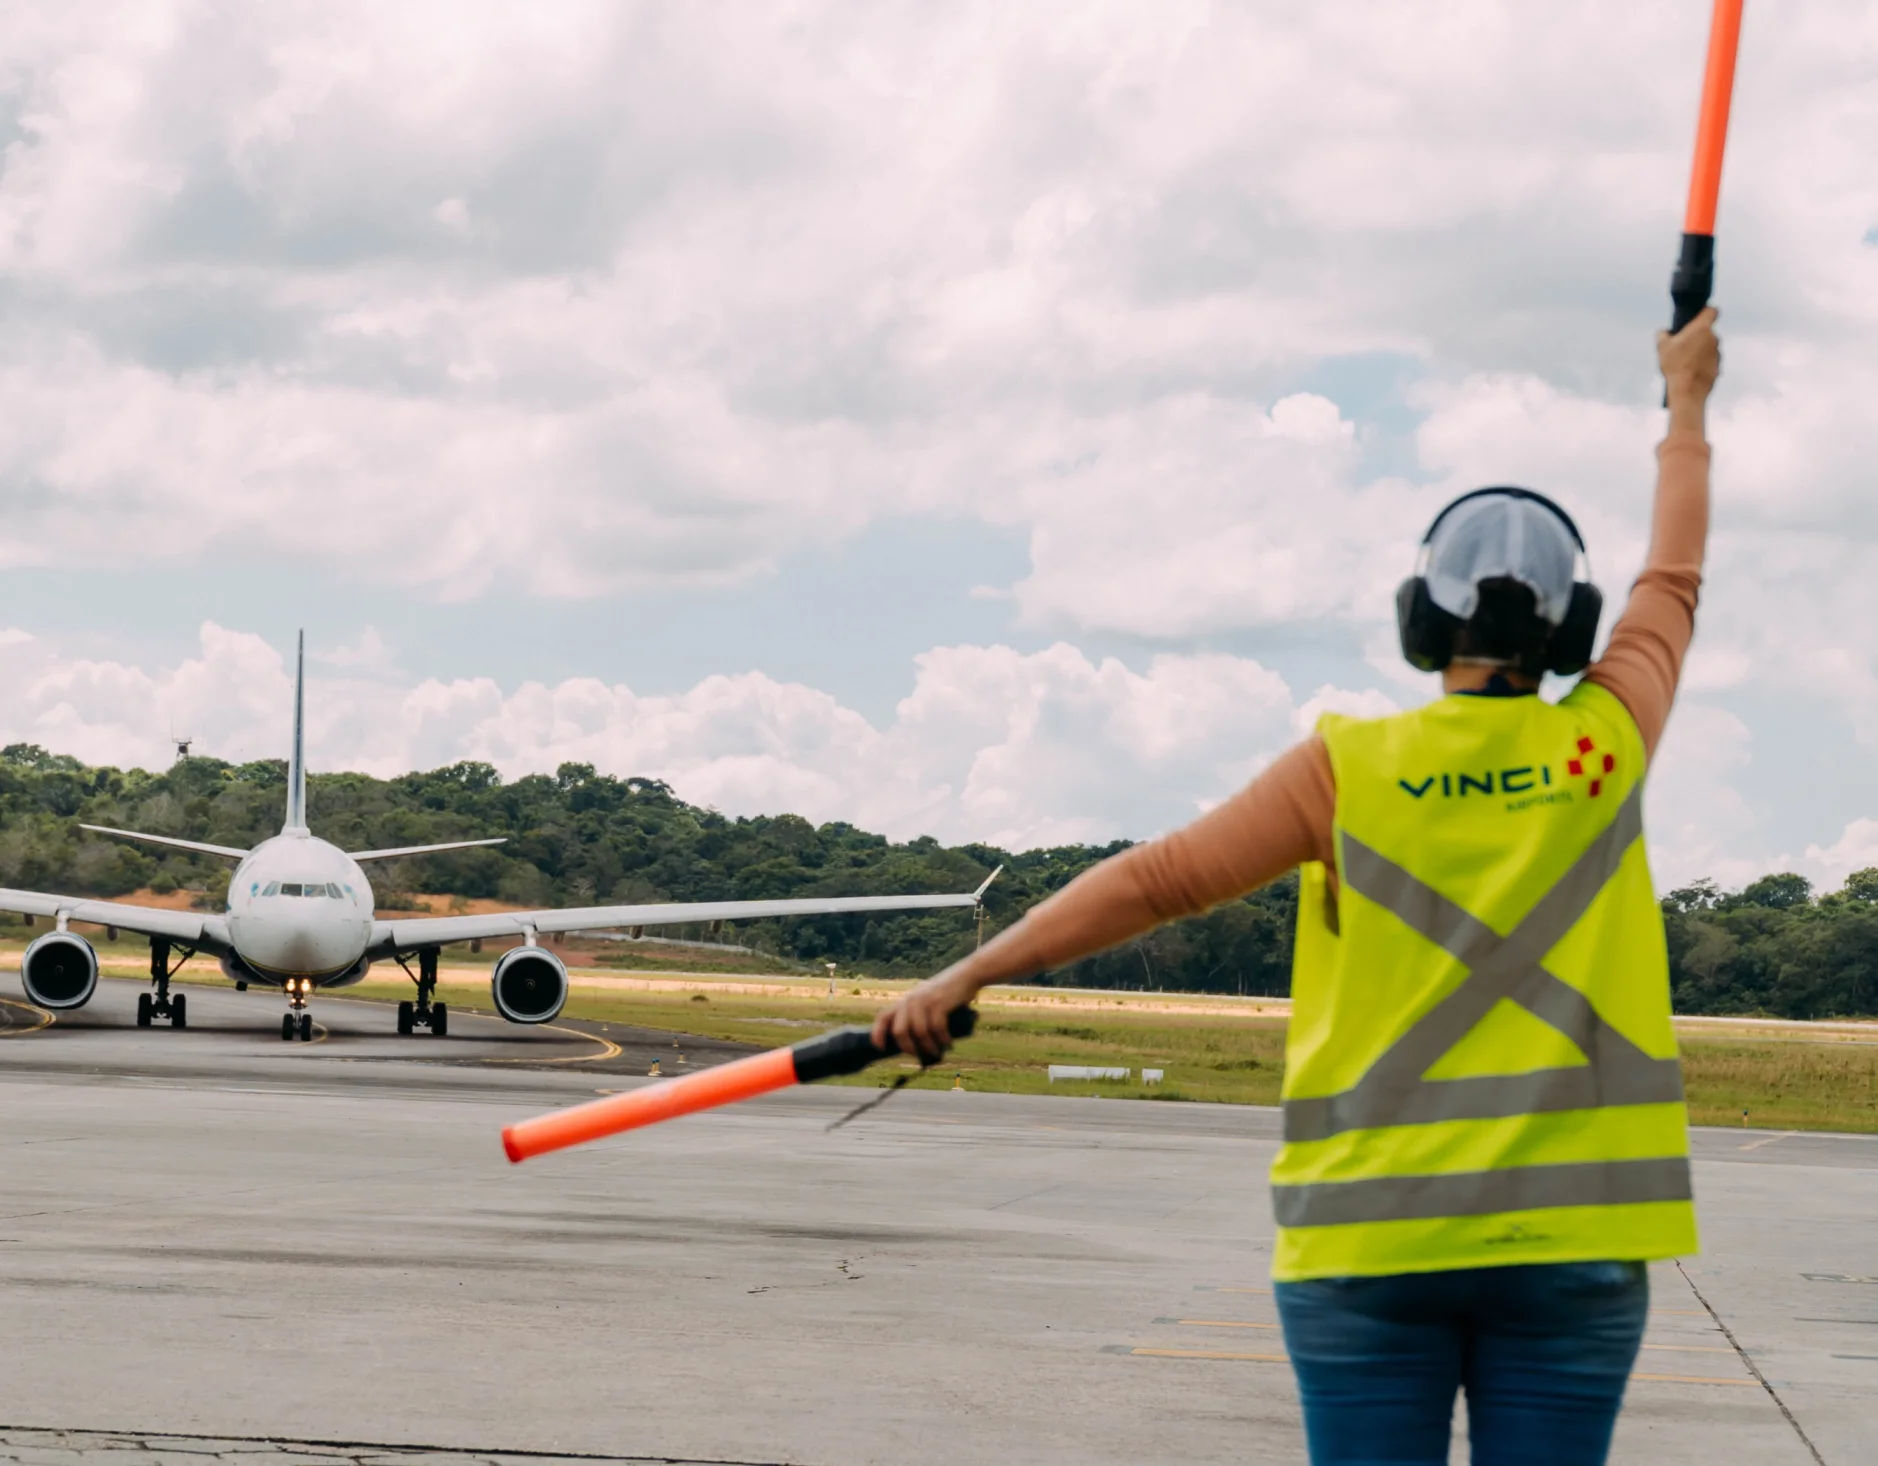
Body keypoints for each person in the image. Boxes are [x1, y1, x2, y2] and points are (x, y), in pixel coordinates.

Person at [874, 310, 1723, 1466]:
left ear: (1423, 620)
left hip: (1367, 1241)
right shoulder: (1604, 741)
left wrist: (968, 969)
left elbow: (1157, 880)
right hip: (1572, 1243)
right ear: (1569, 629)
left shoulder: (1350, 769)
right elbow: (1671, 573)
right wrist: (1685, 401)